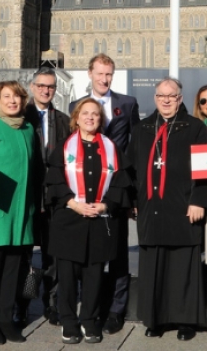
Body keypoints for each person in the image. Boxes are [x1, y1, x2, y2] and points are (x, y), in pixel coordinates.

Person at [130, 78, 207, 340]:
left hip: (183, 207)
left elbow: (206, 170)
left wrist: (199, 199)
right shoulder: (143, 128)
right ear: (155, 98)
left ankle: (186, 320)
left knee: (182, 267)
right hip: (151, 209)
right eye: (161, 96)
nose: (166, 100)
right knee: (154, 265)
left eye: (171, 96)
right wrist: (133, 200)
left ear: (180, 98)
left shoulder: (195, 128)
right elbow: (130, 169)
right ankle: (155, 319)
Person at [46, 97, 129, 344]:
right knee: (68, 277)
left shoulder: (111, 148)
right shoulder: (63, 147)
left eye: (95, 114)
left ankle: (90, 321)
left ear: (100, 119)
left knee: (94, 276)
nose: (90, 117)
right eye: (85, 113)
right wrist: (74, 204)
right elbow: (54, 183)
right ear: (77, 117)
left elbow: (120, 184)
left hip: (100, 220)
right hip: (69, 220)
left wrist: (105, 204)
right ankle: (69, 322)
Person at [69, 54, 140, 335]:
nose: (104, 79)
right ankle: (92, 308)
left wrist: (132, 195)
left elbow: (133, 150)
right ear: (90, 74)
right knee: (90, 256)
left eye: (109, 74)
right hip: (85, 192)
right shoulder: (77, 106)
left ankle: (115, 310)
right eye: (99, 74)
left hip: (116, 191)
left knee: (119, 254)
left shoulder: (128, 103)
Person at [0, 80, 42, 345]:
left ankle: (5, 319)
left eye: (17, 97)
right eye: (7, 96)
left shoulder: (26, 129)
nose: (13, 101)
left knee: (13, 272)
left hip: (21, 213)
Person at [25, 67, 71, 325]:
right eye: (41, 85)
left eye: (50, 86)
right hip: (28, 198)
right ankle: (25, 301)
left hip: (53, 200)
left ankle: (51, 302)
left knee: (52, 255)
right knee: (27, 256)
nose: (46, 90)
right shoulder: (21, 117)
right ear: (33, 87)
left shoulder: (64, 121)